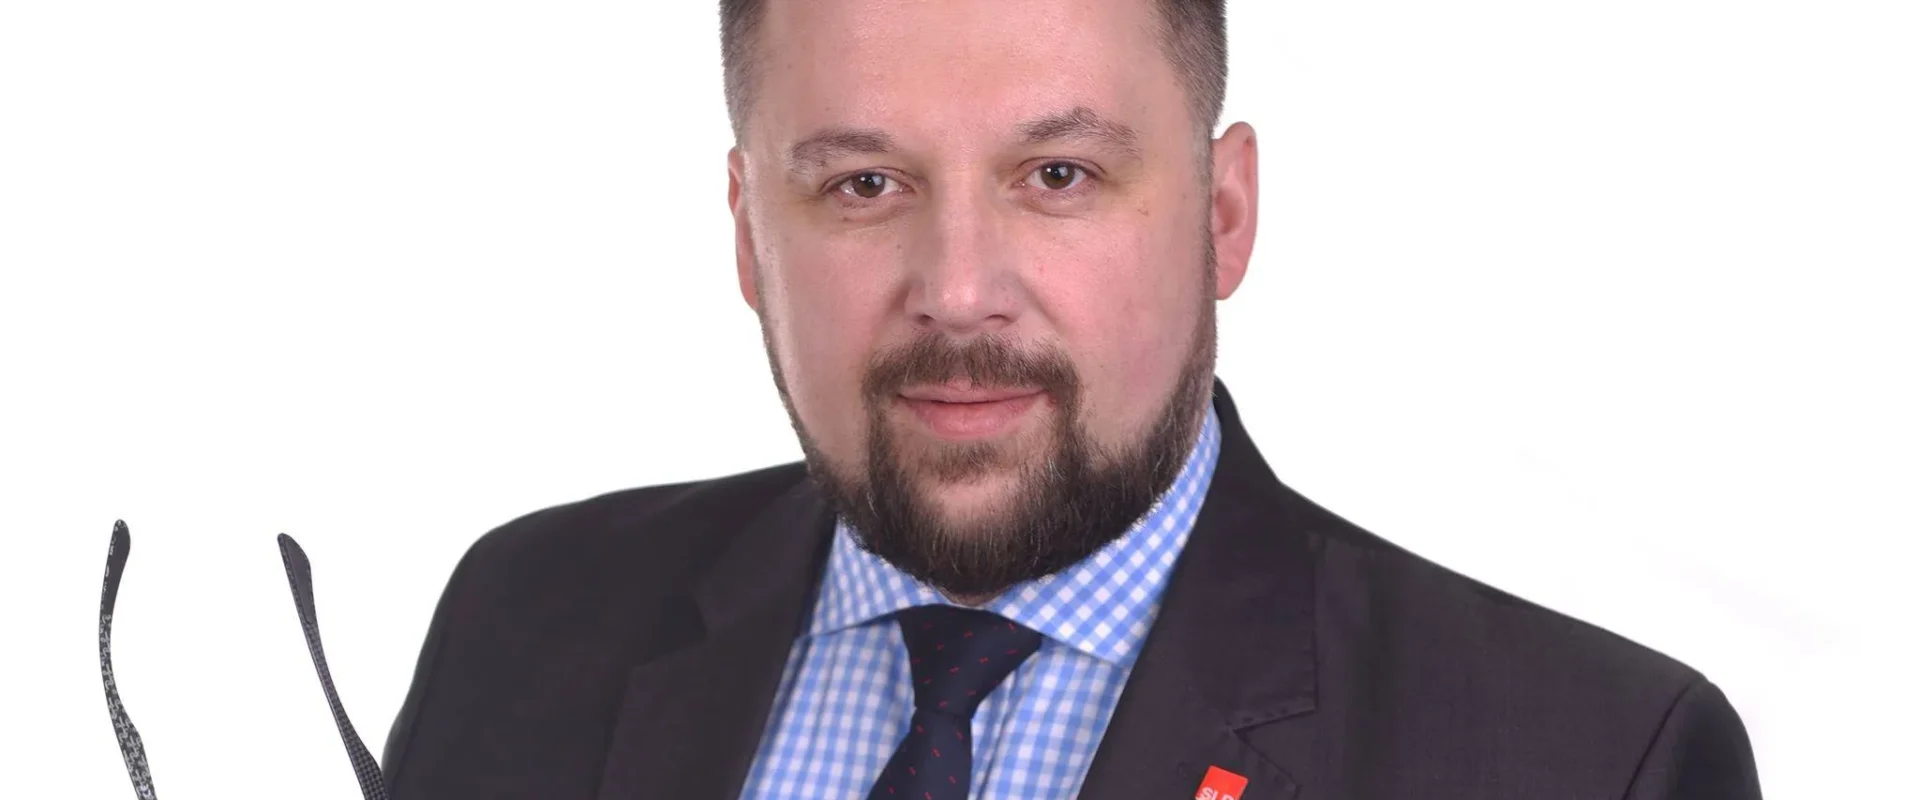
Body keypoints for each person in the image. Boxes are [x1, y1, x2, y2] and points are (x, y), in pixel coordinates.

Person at [378, 1, 1763, 797]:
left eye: (1059, 177)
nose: (958, 290)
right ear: (749, 235)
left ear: (1223, 214)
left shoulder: (1591, 764)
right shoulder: (528, 618)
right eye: (865, 184)